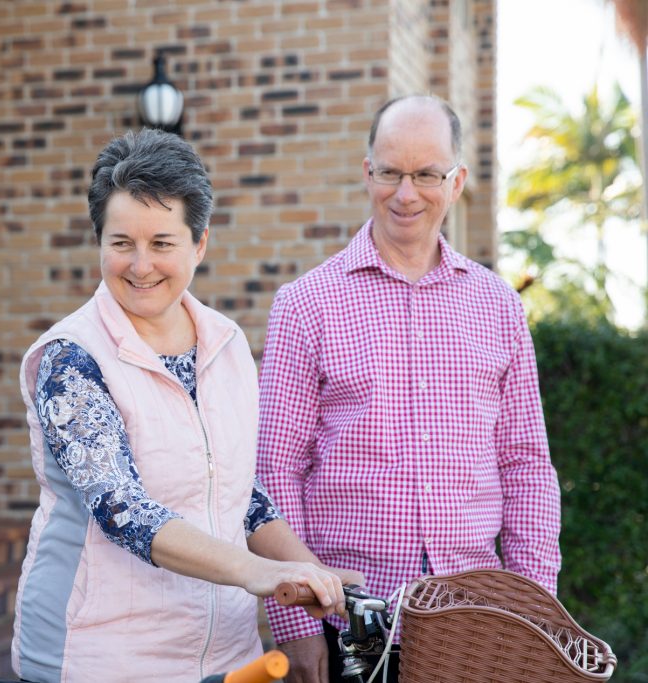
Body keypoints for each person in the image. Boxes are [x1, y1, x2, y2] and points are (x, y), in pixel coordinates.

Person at [12, 129, 362, 683]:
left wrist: (310, 574)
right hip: (98, 658)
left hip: (227, 655)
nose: (140, 264)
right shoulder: (73, 358)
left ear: (200, 244)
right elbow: (121, 509)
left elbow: (236, 492)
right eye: (121, 242)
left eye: (162, 243)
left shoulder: (225, 344)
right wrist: (259, 573)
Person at [257, 94, 562, 683]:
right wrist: (293, 624)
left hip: (482, 620)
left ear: (457, 181)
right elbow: (275, 472)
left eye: (427, 174)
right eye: (391, 172)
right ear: (366, 171)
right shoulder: (305, 306)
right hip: (346, 620)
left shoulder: (498, 306)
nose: (406, 193)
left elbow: (526, 465)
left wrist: (536, 608)